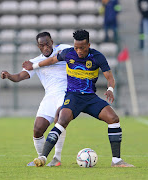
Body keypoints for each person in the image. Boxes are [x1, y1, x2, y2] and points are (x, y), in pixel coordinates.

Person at [22, 29, 134, 168]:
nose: (79, 51)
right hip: (73, 97)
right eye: (76, 47)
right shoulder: (68, 53)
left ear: (88, 45)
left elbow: (110, 77)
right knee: (61, 120)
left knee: (114, 119)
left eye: (82, 48)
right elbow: (51, 60)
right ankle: (43, 158)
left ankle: (116, 161)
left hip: (90, 98)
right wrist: (33, 66)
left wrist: (110, 89)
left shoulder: (97, 57)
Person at [0, 32, 71, 167]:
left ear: (52, 42)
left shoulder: (62, 49)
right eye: (42, 45)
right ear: (38, 46)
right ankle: (41, 159)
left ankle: (57, 158)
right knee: (37, 129)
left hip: (65, 93)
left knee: (59, 118)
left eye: (47, 44)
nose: (46, 47)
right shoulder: (34, 62)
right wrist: (9, 75)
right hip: (50, 96)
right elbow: (20, 76)